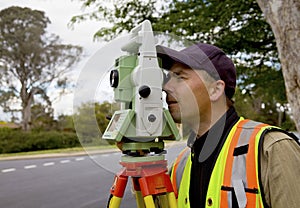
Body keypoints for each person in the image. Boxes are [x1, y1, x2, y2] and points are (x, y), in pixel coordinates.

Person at [156, 42, 300, 208]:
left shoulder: (271, 149)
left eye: (180, 77)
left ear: (215, 90)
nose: (166, 87)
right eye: (168, 78)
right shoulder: (180, 166)